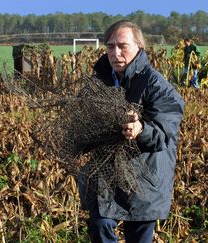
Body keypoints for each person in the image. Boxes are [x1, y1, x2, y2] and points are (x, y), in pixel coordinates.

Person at [79, 20, 185, 242]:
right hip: (108, 177)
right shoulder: (99, 82)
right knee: (100, 226)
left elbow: (165, 133)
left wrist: (140, 129)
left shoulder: (156, 85)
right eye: (110, 46)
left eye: (122, 46)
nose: (115, 52)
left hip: (144, 180)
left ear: (139, 47)